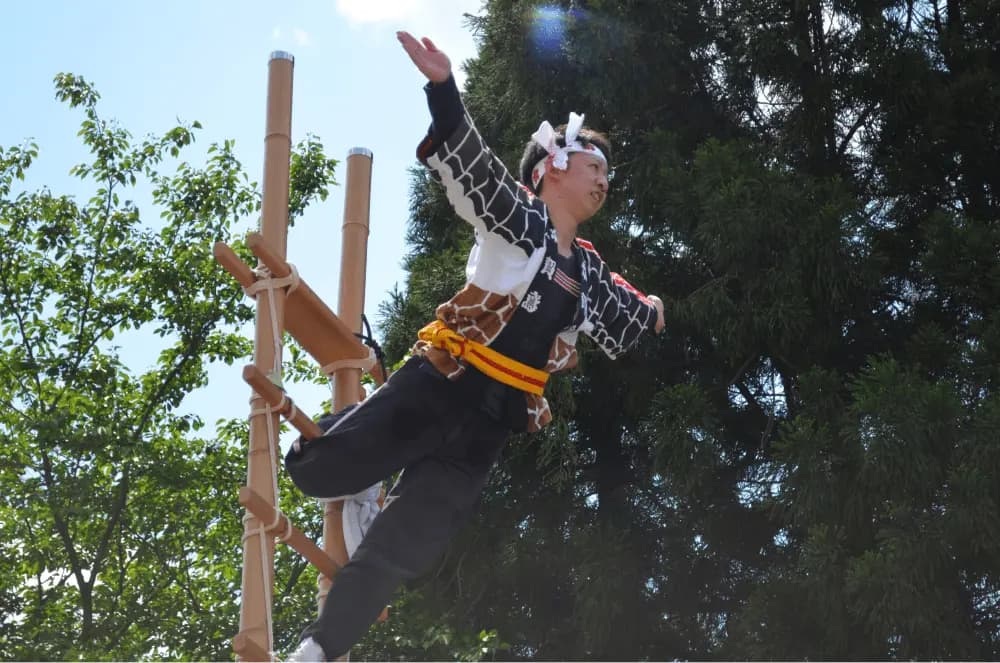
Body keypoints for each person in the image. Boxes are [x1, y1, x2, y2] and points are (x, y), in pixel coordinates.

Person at [284, 30, 666, 661]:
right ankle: (349, 462)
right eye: (594, 166)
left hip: (493, 420)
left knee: (412, 544)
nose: (604, 180)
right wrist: (443, 88)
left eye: (607, 173)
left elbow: (626, 316)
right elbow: (477, 171)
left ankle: (318, 649)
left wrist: (653, 311)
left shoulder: (592, 271)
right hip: (444, 380)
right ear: (552, 169)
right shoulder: (520, 220)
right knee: (324, 466)